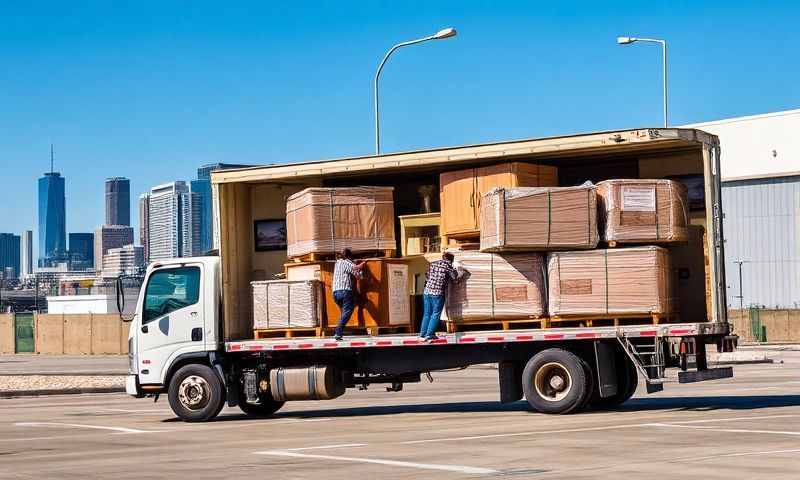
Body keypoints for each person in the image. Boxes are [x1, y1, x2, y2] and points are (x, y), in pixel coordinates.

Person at [419, 251, 460, 341]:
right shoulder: (448, 266)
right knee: (435, 314)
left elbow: (427, 276)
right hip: (437, 293)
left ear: (443, 257)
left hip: (426, 292)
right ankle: (429, 334)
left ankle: (422, 334)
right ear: (451, 260)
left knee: (426, 314)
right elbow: (455, 279)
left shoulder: (433, 264)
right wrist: (456, 270)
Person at [332, 248, 364, 340]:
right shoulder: (347, 262)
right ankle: (338, 332)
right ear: (349, 256)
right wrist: (362, 265)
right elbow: (358, 274)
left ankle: (339, 331)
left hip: (335, 293)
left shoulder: (337, 263)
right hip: (344, 291)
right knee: (348, 310)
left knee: (344, 312)